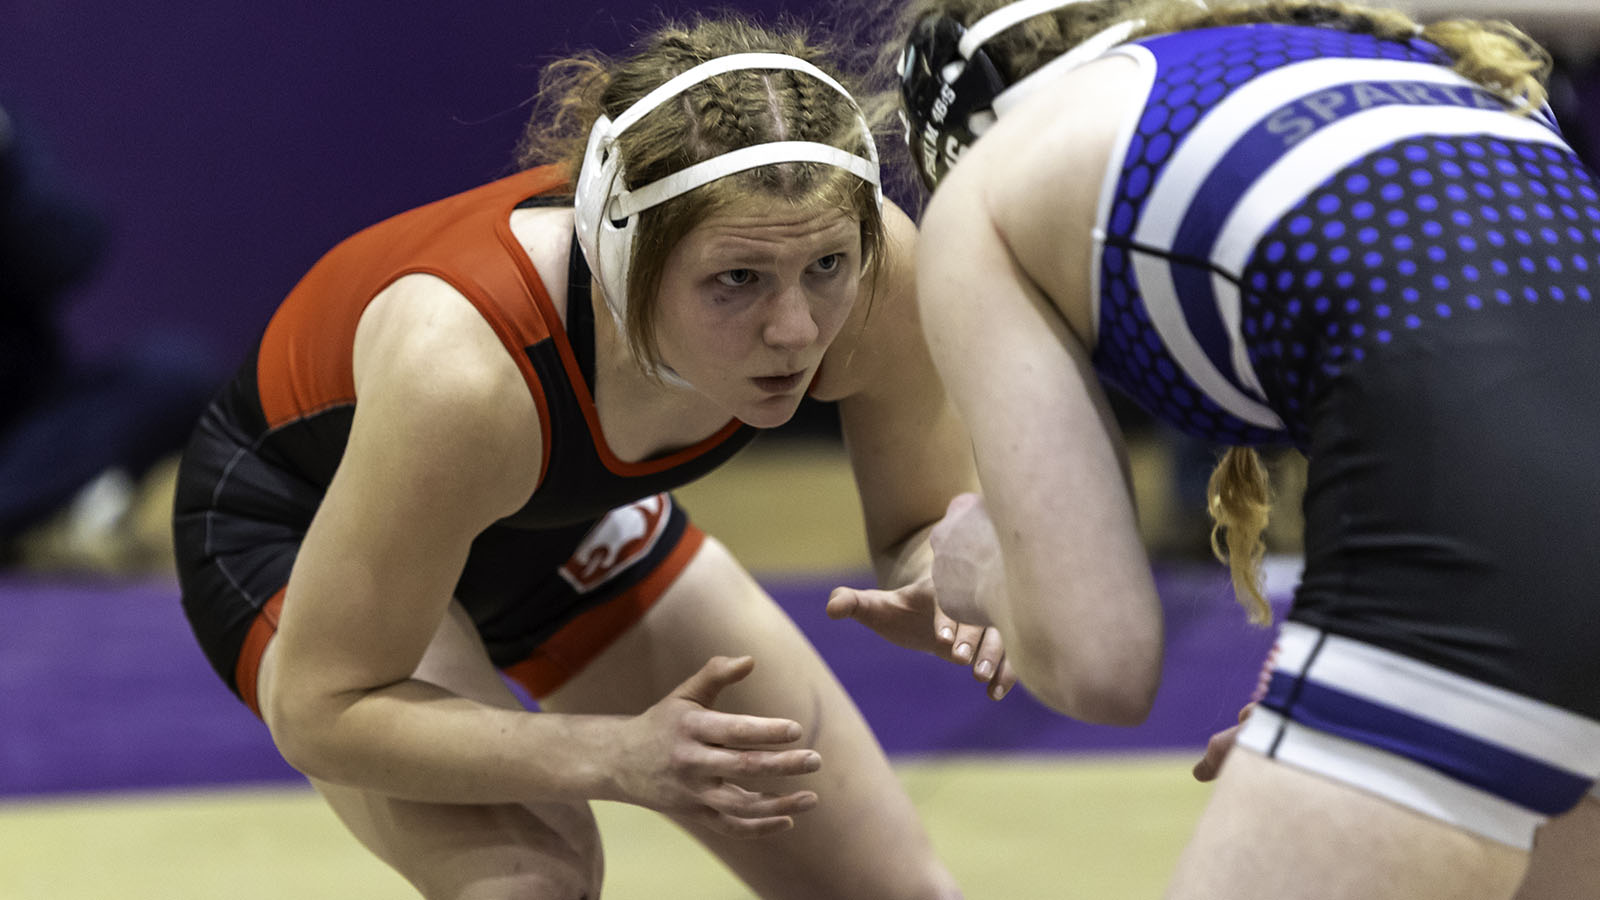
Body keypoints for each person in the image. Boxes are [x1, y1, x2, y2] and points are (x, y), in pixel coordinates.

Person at [171, 16, 1013, 899]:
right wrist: (615, 753)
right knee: (533, 883)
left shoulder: (876, 276)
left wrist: (952, 580)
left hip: (551, 521)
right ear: (624, 251)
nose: (796, 330)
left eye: (827, 265)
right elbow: (325, 710)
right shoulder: (466, 371)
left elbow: (923, 525)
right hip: (299, 516)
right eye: (738, 280)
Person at [887, 0, 1600, 897]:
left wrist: (978, 564)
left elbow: (1101, 662)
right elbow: (1498, 386)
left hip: (1481, 579)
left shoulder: (991, 187)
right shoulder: (1431, 63)